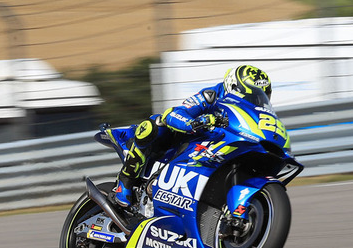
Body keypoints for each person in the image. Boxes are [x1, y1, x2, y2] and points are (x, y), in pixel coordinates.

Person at [103, 65, 272, 208]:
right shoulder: (211, 96)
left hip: (220, 148)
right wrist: (196, 122)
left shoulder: (255, 114)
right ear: (234, 87)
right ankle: (125, 181)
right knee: (154, 125)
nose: (255, 101)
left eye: (260, 97)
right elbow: (175, 113)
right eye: (252, 96)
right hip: (185, 140)